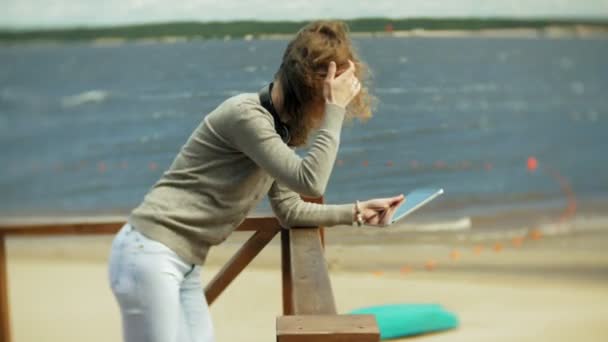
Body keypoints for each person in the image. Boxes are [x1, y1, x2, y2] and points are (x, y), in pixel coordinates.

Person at [108, 20, 405, 342]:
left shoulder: (277, 131)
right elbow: (311, 182)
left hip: (184, 264)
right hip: (150, 253)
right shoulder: (246, 116)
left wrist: (358, 212)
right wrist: (335, 109)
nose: (327, 112)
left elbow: (290, 209)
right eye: (325, 100)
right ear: (307, 91)